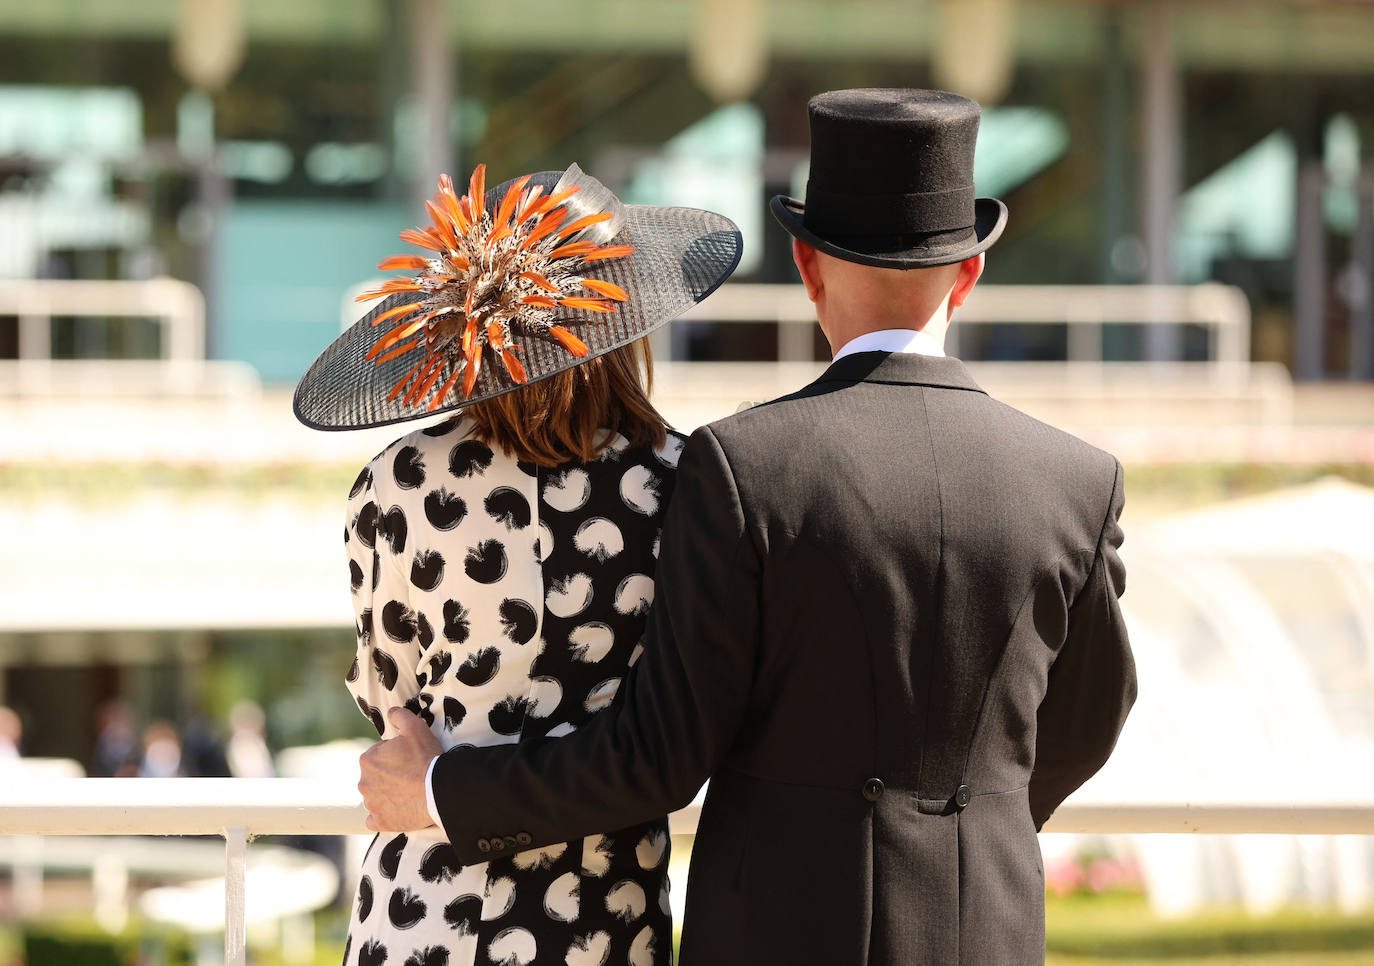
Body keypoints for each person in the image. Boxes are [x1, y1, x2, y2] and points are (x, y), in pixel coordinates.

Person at [360, 89, 1137, 965]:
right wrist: (972, 816)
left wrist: (437, 787)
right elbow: (1091, 718)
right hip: (984, 928)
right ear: (969, 273)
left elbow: (660, 752)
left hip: (775, 930)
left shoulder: (742, 465)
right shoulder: (1079, 482)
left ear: (807, 265)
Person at [294, 162, 740, 966]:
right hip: (599, 919)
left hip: (420, 908)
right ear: (620, 323)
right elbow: (680, 725)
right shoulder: (683, 486)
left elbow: (389, 701)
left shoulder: (395, 482)